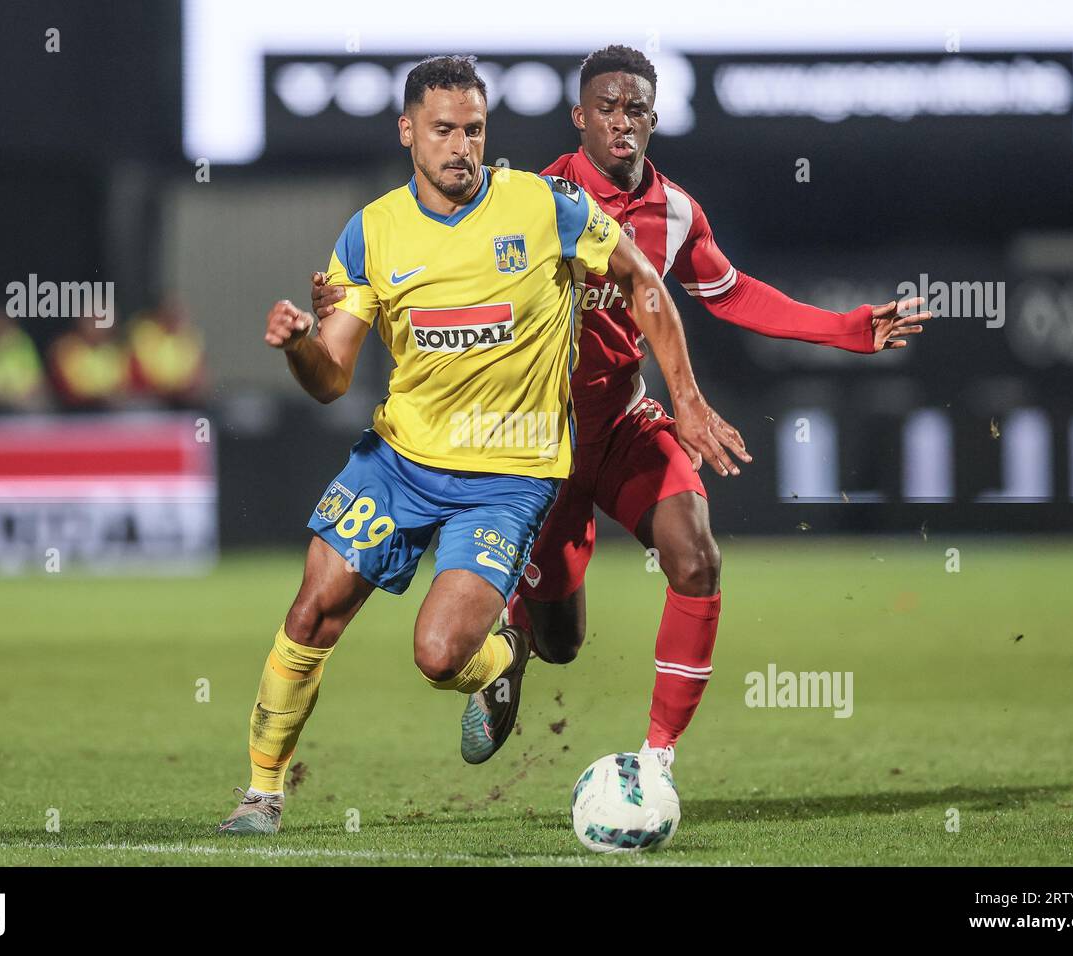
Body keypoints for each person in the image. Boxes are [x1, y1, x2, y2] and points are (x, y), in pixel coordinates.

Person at [312, 45, 930, 778]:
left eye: (635, 108)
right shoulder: (531, 202)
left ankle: (657, 762)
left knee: (696, 558)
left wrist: (846, 329)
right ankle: (510, 649)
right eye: (605, 108)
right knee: (563, 640)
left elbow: (729, 292)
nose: (621, 122)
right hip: (539, 450)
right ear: (580, 118)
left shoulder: (673, 212)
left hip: (625, 426)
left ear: (654, 119)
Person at [218, 54, 745, 834]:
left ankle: (498, 656)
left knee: (438, 656)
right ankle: (261, 794)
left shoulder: (544, 206)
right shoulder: (372, 233)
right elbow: (330, 377)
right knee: (312, 612)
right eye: (443, 130)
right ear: (408, 133)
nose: (461, 146)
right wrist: (300, 342)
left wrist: (688, 400)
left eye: (474, 130)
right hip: (400, 460)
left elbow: (642, 282)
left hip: (507, 477)